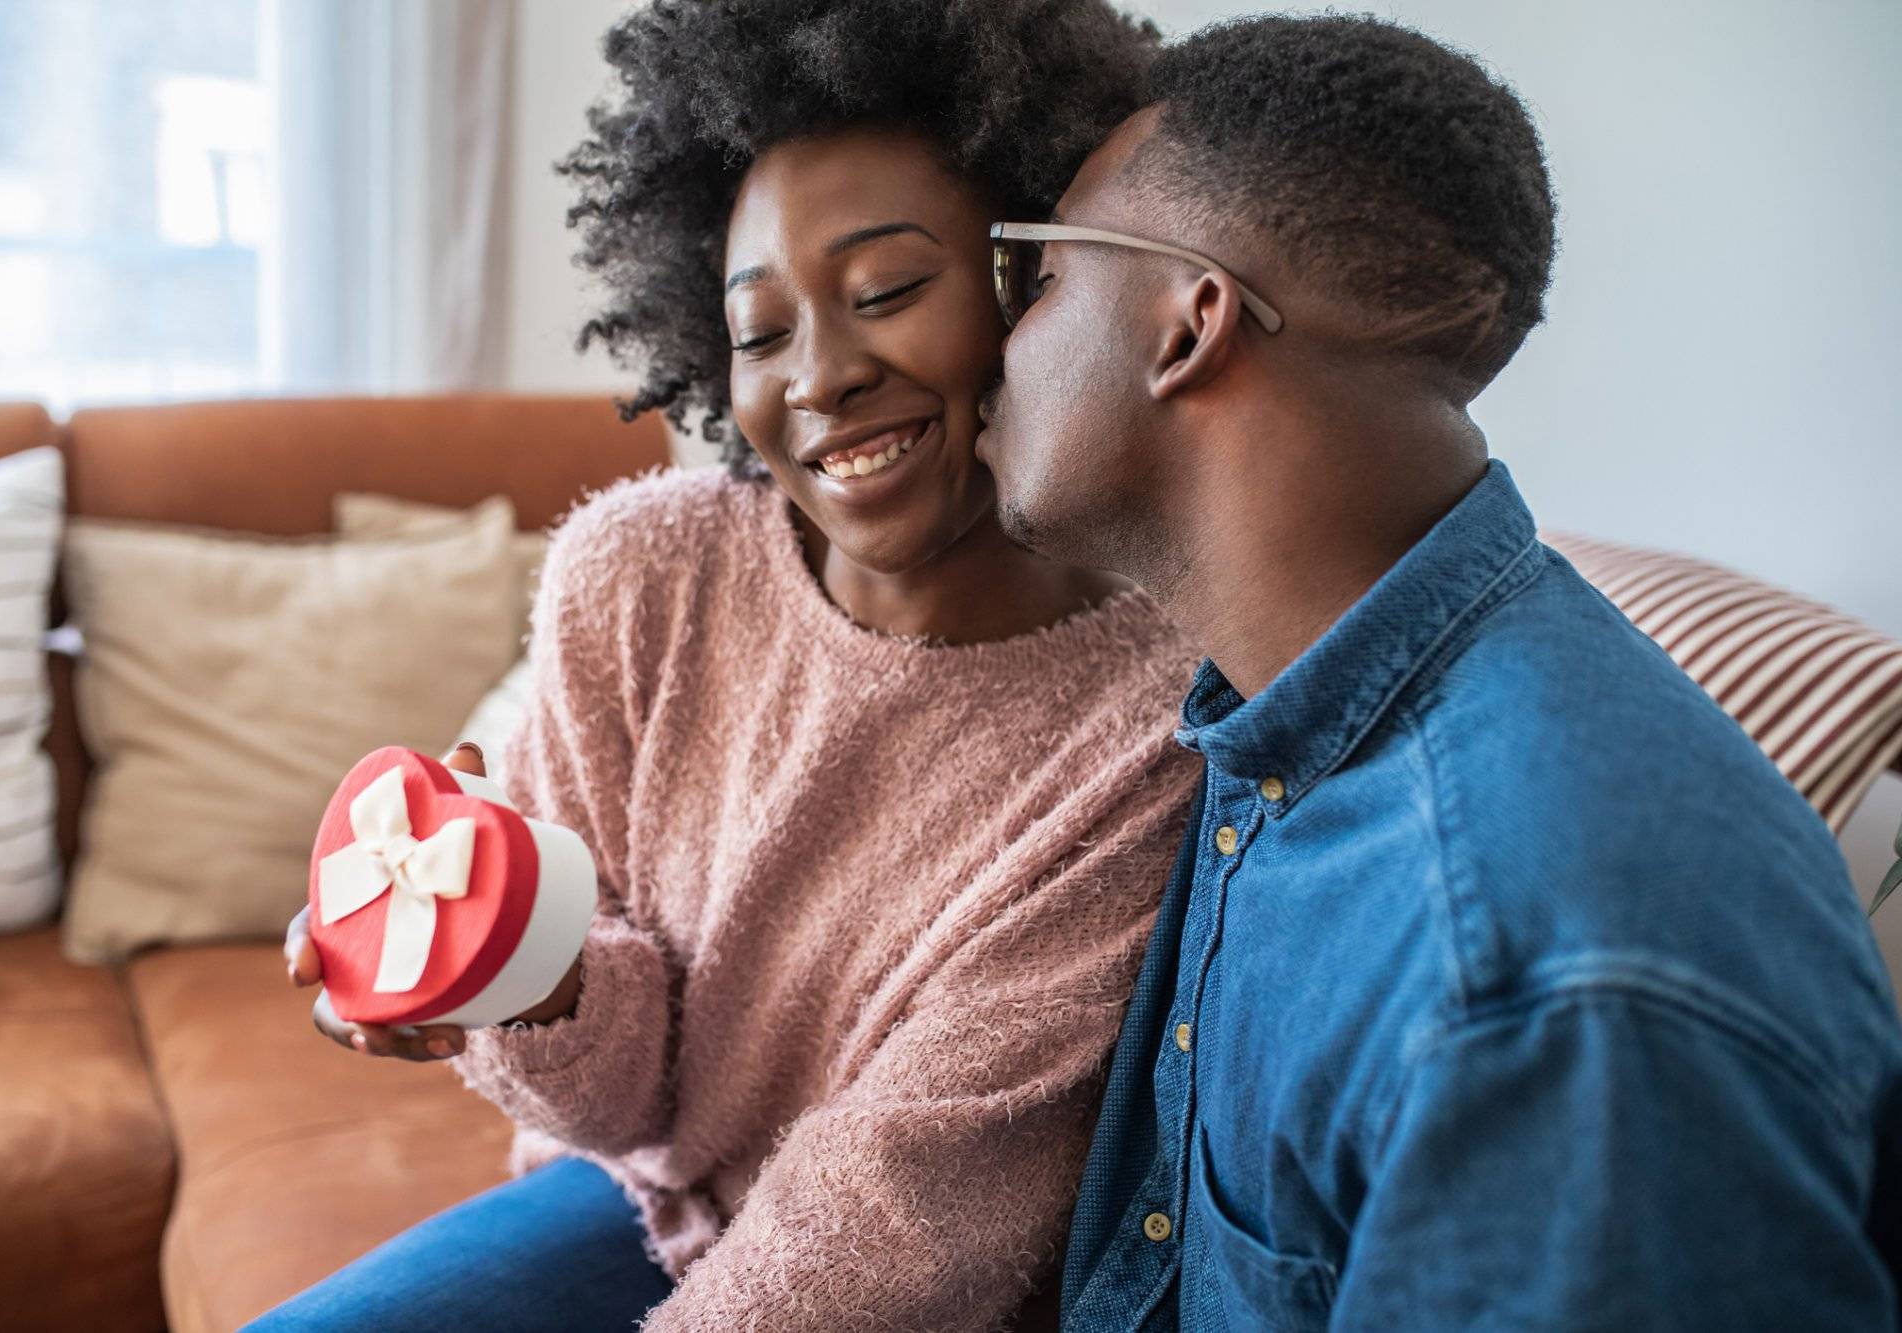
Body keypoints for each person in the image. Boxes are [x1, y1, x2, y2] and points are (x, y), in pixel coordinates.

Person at [247, 3, 1199, 1331]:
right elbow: (623, 1106)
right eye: (760, 330)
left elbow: (900, 1222)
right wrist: (523, 963)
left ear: (1038, 285)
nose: (820, 376)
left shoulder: (1162, 720)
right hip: (638, 1201)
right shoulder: (638, 575)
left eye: (885, 293)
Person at [976, 14, 1902, 1330]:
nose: (993, 344)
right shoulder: (1276, 710)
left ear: (1190, 322)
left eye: (1040, 275)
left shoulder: (1543, 976)